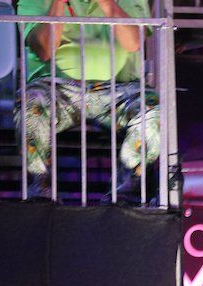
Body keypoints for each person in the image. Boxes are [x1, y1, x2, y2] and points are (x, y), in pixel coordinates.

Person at [16, 0, 161, 201]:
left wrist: (108, 4)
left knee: (152, 109)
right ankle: (41, 184)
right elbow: (43, 48)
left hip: (119, 91)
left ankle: (129, 182)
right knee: (31, 102)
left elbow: (134, 42)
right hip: (57, 89)